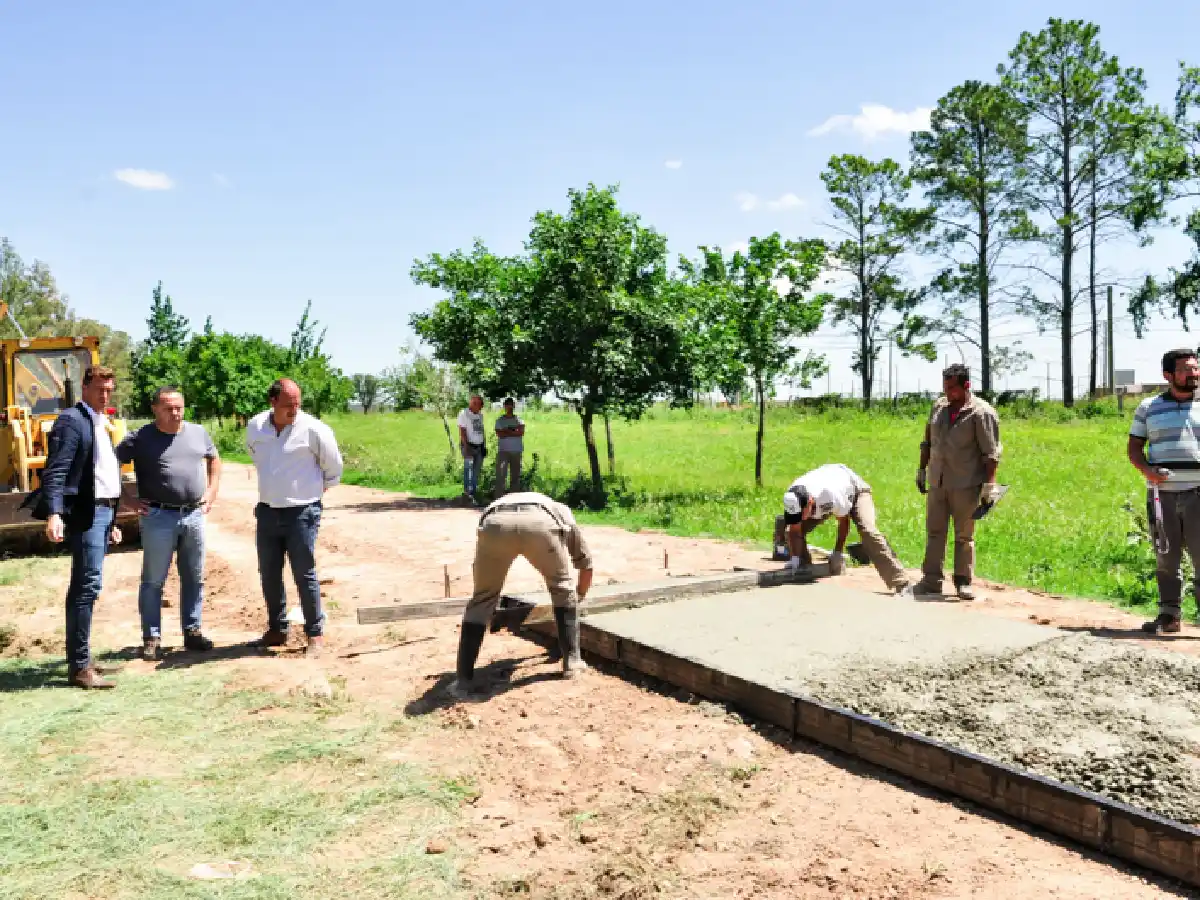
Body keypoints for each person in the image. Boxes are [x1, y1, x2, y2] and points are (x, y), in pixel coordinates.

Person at [32, 365, 124, 689]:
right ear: (85, 387)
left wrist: (112, 520)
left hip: (101, 514)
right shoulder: (71, 420)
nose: (105, 395)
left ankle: (82, 659)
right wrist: (54, 514)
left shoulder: (99, 422)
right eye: (100, 389)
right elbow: (55, 472)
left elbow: (102, 475)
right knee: (86, 587)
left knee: (86, 587)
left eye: (109, 390)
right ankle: (80, 668)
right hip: (86, 516)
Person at [451, 491, 594, 698]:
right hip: (540, 524)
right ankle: (572, 662)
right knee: (561, 588)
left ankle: (463, 681)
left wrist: (485, 592)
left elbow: (478, 566)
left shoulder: (499, 502)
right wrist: (578, 596)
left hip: (495, 522)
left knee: (482, 598)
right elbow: (586, 564)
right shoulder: (562, 511)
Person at [117, 385, 221, 661]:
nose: (175, 413)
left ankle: (192, 631)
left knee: (194, 576)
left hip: (194, 514)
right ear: (155, 409)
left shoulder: (197, 433)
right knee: (153, 580)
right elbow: (109, 463)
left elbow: (214, 458)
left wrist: (211, 491)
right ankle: (152, 637)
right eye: (168, 408)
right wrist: (127, 498)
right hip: (158, 517)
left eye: (179, 407)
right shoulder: (140, 438)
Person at [245, 378, 343, 657]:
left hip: (302, 512)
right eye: (288, 405)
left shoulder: (314, 429)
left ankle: (315, 633)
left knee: (305, 573)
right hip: (266, 511)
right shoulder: (256, 427)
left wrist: (316, 489)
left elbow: (333, 466)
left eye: (298, 404)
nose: (294, 410)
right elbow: (256, 457)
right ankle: (277, 629)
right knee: (269, 573)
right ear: (272, 402)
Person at [915, 364, 1003, 601]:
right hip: (938, 480)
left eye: (952, 388)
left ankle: (963, 581)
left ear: (966, 385)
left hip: (966, 483)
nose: (948, 393)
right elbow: (927, 441)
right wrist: (921, 470)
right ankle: (931, 580)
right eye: (945, 387)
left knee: (964, 536)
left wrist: (989, 486)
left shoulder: (981, 413)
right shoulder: (938, 407)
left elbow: (991, 454)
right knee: (934, 532)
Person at [1129, 348, 1200, 635]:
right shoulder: (1148, 407)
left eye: (1195, 368)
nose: (1194, 373)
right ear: (1168, 375)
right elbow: (1134, 449)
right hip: (1162, 496)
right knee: (1166, 556)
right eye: (1186, 369)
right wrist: (1147, 471)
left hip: (1198, 492)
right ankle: (1169, 615)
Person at [782, 463, 913, 599]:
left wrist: (837, 552)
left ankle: (902, 584)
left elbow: (844, 522)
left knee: (868, 532)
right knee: (789, 531)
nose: (801, 518)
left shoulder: (830, 495)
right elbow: (794, 529)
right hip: (830, 493)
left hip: (856, 492)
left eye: (802, 514)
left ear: (809, 502)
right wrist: (795, 558)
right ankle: (803, 568)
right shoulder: (793, 496)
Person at [493, 397, 525, 497]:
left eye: (511, 404)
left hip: (516, 451)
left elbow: (520, 432)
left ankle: (514, 498)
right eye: (508, 405)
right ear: (505, 406)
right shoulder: (500, 420)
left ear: (514, 406)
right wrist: (513, 431)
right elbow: (500, 434)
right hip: (503, 451)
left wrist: (506, 431)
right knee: (501, 475)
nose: (510, 407)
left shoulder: (519, 420)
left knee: (515, 476)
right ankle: (499, 497)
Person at [457, 394, 486, 503]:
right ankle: (467, 494)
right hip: (468, 445)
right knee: (468, 470)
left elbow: (482, 431)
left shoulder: (480, 415)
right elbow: (462, 431)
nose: (479, 406)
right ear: (472, 403)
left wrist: (484, 446)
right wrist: (466, 446)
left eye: (479, 404)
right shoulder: (463, 413)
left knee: (476, 471)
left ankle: (473, 493)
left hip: (479, 446)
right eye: (475, 403)